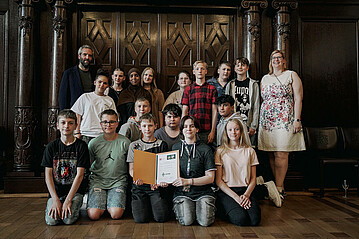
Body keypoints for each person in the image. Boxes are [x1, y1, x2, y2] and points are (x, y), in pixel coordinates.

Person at [258, 50, 305, 198]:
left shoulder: (291, 75)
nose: (276, 60)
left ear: (284, 60)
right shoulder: (265, 78)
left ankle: (278, 187)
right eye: (273, 58)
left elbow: (298, 98)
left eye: (279, 57)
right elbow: (263, 99)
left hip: (285, 119)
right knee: (271, 153)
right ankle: (280, 185)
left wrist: (297, 119)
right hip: (267, 121)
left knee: (281, 153)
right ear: (270, 61)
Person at [41, 109, 90, 226]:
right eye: (63, 123)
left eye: (70, 123)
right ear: (58, 125)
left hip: (75, 192)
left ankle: (73, 208)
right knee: (51, 221)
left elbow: (79, 175)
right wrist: (55, 199)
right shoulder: (51, 147)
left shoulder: (81, 146)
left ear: (76, 125)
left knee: (68, 220)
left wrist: (68, 200)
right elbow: (48, 176)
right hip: (57, 192)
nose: (66, 126)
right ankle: (54, 205)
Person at [172, 116, 216, 227]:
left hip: (203, 192)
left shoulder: (206, 149)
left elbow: (210, 177)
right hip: (183, 193)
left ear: (197, 129)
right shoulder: (175, 148)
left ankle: (201, 209)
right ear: (181, 130)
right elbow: (170, 173)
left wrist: (188, 181)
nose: (189, 129)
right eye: (185, 126)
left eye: (192, 126)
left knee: (205, 222)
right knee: (187, 221)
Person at [86, 109, 131, 220]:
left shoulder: (125, 142)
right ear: (101, 124)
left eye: (112, 122)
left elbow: (131, 165)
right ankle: (101, 205)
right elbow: (88, 165)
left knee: (116, 214)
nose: (108, 125)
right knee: (94, 215)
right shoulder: (94, 143)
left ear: (117, 123)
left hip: (118, 181)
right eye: (105, 122)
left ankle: (110, 205)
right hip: (98, 181)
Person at [127, 113, 170, 223]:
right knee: (140, 219)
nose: (147, 129)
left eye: (150, 125)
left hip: (156, 186)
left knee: (161, 218)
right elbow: (131, 169)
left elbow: (165, 168)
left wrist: (160, 181)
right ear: (140, 127)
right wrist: (136, 177)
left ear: (155, 126)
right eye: (144, 126)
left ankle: (154, 206)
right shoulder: (134, 145)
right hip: (140, 185)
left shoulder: (162, 145)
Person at [71, 69, 117, 144]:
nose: (102, 85)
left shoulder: (109, 100)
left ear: (108, 86)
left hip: (103, 134)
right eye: (100, 82)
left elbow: (113, 118)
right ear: (95, 82)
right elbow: (77, 115)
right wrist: (76, 132)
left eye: (105, 83)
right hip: (86, 134)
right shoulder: (85, 97)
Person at [225, 57, 260, 146]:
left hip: (249, 122)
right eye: (238, 65)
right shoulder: (230, 84)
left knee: (249, 149)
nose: (240, 67)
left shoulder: (253, 84)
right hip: (234, 122)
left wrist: (253, 125)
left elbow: (256, 105)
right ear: (235, 68)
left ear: (247, 68)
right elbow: (227, 105)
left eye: (243, 65)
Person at [182, 60, 218, 144]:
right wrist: (184, 130)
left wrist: (212, 131)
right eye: (197, 69)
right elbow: (185, 111)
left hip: (207, 130)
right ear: (194, 72)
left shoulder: (212, 89)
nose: (200, 71)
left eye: (202, 68)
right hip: (191, 130)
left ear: (206, 71)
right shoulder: (188, 89)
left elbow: (214, 111)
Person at [59, 45, 97, 110]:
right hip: (74, 110)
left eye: (90, 55)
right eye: (84, 54)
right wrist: (64, 113)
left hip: (91, 110)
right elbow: (63, 96)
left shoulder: (95, 73)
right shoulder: (69, 73)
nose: (87, 57)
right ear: (79, 56)